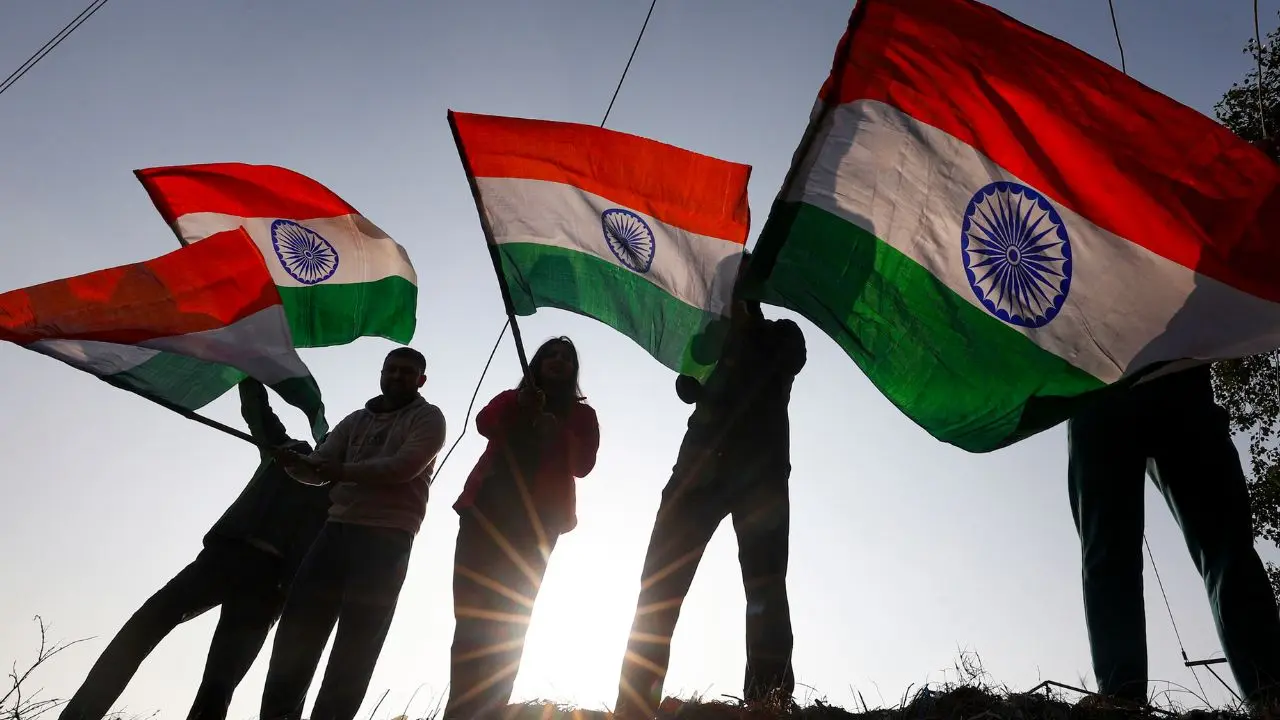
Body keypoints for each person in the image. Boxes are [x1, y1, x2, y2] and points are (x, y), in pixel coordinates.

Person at [1067, 132, 1280, 712]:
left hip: (1173, 382)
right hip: (1101, 390)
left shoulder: (1173, 208)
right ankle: (1123, 701)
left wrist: (1256, 179)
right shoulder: (1075, 210)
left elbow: (1223, 228)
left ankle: (1269, 695)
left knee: (1224, 546)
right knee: (1112, 552)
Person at [59, 379, 330, 720]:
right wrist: (249, 365)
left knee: (220, 681)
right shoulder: (287, 449)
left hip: (269, 585)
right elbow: (257, 411)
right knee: (145, 625)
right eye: (334, 439)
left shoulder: (345, 491)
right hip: (222, 559)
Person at [614, 259, 807, 719]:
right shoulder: (706, 339)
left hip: (758, 474)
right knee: (660, 585)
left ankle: (768, 702)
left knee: (765, 586)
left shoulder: (781, 334)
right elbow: (686, 384)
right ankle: (634, 705)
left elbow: (791, 360)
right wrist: (714, 336)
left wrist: (741, 326)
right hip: (697, 473)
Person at [259, 347, 447, 720]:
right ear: (381, 373)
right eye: (391, 369)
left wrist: (339, 471)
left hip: (388, 538)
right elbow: (318, 468)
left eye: (407, 372)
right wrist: (294, 464)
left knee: (357, 645)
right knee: (298, 632)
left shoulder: (429, 418)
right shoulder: (355, 420)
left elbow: (402, 467)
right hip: (336, 530)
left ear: (421, 380)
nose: (397, 376)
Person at [444, 337, 600, 719]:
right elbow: (484, 422)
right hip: (484, 515)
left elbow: (583, 464)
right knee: (470, 618)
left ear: (574, 370)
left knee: (510, 619)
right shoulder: (512, 399)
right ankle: (459, 711)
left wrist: (556, 430)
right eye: (551, 355)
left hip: (536, 528)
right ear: (538, 363)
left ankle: (489, 711)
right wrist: (520, 405)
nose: (558, 361)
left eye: (566, 357)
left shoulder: (582, 416)